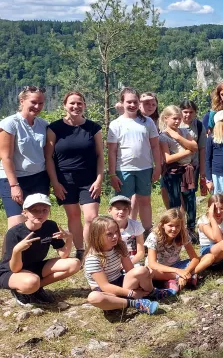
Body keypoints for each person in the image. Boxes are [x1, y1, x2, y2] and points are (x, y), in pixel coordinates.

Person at [45, 91, 103, 261]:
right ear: (65, 105)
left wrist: (99, 179)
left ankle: (91, 251)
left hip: (89, 179)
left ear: (84, 105)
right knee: (74, 216)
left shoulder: (94, 128)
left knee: (92, 218)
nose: (76, 107)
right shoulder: (54, 128)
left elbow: (100, 155)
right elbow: (48, 157)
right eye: (72, 103)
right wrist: (55, 182)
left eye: (79, 103)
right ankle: (80, 250)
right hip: (65, 179)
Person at [0, 194, 79, 305]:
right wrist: (17, 250)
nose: (40, 214)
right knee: (31, 282)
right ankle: (20, 290)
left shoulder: (50, 226)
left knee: (74, 263)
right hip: (11, 272)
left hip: (35, 266)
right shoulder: (14, 233)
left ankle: (37, 288)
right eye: (35, 210)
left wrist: (69, 239)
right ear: (25, 213)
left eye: (44, 210)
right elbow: (14, 268)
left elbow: (63, 255)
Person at [83, 216, 172, 316]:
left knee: (141, 270)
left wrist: (145, 274)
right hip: (106, 290)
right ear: (97, 236)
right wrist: (131, 293)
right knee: (94, 298)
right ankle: (135, 303)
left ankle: (151, 293)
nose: (115, 236)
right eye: (109, 234)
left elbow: (130, 270)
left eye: (116, 232)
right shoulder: (93, 258)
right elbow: (105, 286)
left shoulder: (119, 246)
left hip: (120, 280)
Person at [107, 88, 162, 232]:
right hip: (123, 169)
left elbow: (155, 146)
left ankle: (146, 231)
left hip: (145, 168)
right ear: (122, 103)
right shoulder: (116, 124)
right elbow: (112, 151)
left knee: (145, 201)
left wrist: (158, 167)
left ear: (139, 103)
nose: (132, 105)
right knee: (122, 204)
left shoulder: (148, 122)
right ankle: (121, 231)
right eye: (129, 102)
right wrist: (112, 174)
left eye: (135, 102)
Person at [0, 86, 50, 229]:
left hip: (39, 178)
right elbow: (5, 157)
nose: (37, 106)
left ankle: (34, 251)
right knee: (17, 224)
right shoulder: (10, 124)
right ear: (22, 101)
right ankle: (11, 252)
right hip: (14, 179)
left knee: (37, 221)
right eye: (33, 102)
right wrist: (14, 186)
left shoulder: (43, 125)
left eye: (41, 103)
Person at [158, 105, 198, 235]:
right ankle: (175, 228)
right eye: (174, 118)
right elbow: (168, 159)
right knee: (174, 201)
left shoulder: (185, 132)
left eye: (179, 118)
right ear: (166, 119)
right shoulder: (163, 136)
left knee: (190, 200)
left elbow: (195, 146)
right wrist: (188, 151)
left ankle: (191, 228)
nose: (177, 121)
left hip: (187, 171)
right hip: (172, 173)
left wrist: (178, 137)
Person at [145, 209, 200, 293]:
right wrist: (178, 272)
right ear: (163, 225)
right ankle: (185, 278)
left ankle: (178, 279)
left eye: (177, 226)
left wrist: (185, 272)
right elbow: (152, 264)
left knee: (208, 257)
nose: (174, 229)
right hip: (159, 268)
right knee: (150, 273)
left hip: (176, 265)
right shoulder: (154, 236)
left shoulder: (183, 234)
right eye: (170, 225)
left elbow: (195, 258)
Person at [179, 99, 207, 199]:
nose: (188, 115)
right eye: (185, 112)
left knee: (190, 193)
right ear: (180, 111)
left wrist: (203, 171)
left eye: (191, 112)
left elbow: (202, 148)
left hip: (193, 164)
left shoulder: (199, 126)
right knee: (178, 193)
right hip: (176, 164)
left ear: (195, 113)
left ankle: (191, 214)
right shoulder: (175, 123)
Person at [108, 195, 145, 266]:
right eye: (118, 209)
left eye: (125, 209)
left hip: (132, 260)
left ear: (130, 211)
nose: (121, 212)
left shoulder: (136, 226)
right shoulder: (105, 227)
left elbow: (141, 252)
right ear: (110, 210)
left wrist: (128, 264)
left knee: (142, 272)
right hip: (112, 261)